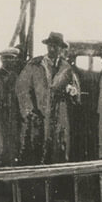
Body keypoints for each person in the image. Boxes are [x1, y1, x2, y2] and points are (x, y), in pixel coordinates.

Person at [16, 31, 81, 164]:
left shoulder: (67, 68)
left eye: (56, 46)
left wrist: (72, 92)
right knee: (36, 151)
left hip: (59, 118)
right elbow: (22, 89)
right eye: (50, 46)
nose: (52, 49)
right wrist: (30, 112)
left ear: (61, 49)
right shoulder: (35, 65)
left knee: (58, 152)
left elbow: (76, 92)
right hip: (38, 117)